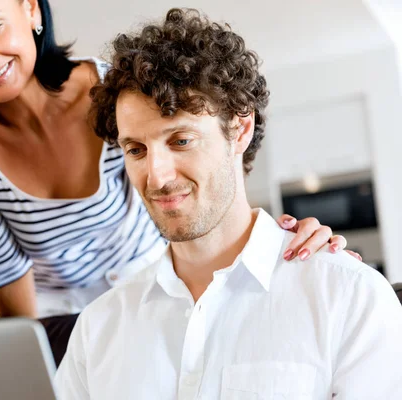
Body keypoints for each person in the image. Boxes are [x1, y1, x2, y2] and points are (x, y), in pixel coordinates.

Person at [0, 0, 357, 364]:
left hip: (151, 278)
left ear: (31, 10)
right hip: (55, 308)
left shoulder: (110, 90)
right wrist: (31, 360)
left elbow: (188, 189)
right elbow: (2, 263)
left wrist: (273, 250)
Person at [55, 8, 402, 399]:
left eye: (181, 141)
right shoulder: (97, 329)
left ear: (240, 129)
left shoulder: (348, 297)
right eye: (136, 149)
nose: (157, 176)